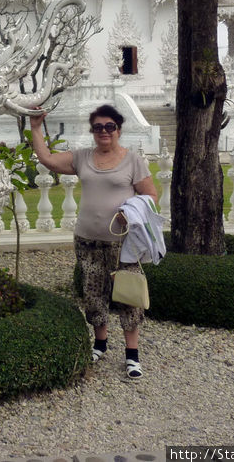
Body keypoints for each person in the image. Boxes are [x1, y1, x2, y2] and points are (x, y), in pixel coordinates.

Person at [29, 104, 158, 379]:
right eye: (98, 127)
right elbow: (48, 159)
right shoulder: (83, 158)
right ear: (92, 130)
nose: (104, 132)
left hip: (123, 243)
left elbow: (150, 195)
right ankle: (100, 344)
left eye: (109, 126)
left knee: (128, 295)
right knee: (93, 292)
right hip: (88, 240)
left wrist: (131, 212)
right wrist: (36, 127)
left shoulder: (132, 160)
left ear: (118, 129)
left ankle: (132, 355)